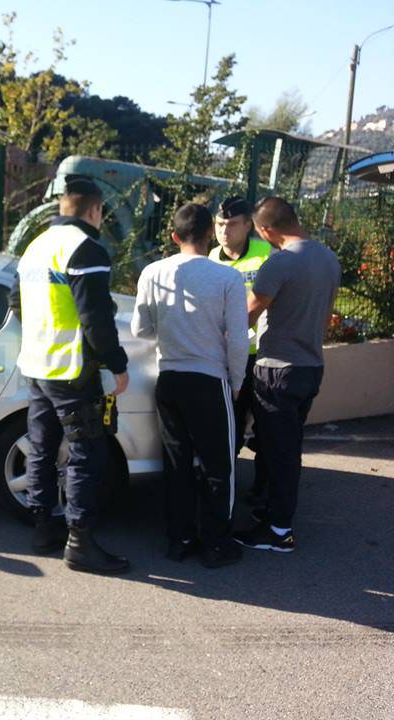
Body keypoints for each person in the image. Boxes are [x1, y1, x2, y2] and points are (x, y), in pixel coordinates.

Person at [9, 171, 131, 575]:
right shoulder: (85, 249)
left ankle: (43, 529)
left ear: (63, 206)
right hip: (72, 371)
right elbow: (96, 319)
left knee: (43, 448)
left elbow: (16, 303)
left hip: (36, 365)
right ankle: (80, 544)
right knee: (86, 454)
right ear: (95, 210)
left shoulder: (35, 246)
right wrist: (117, 364)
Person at [131, 203, 249, 568]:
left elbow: (140, 329)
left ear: (174, 236)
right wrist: (236, 380)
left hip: (169, 378)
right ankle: (216, 544)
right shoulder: (228, 278)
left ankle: (179, 539)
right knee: (219, 465)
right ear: (210, 235)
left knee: (176, 462)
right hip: (210, 380)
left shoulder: (153, 272)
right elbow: (239, 340)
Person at [234, 197, 341, 553]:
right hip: (311, 367)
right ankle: (274, 514)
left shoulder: (279, 263)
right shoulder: (328, 258)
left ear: (266, 231)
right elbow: (326, 317)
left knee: (279, 452)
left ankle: (279, 531)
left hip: (277, 370)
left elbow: (247, 314)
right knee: (287, 447)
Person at [210, 196, 272, 504]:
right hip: (224, 357)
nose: (224, 231)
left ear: (248, 225)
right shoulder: (211, 258)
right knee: (229, 425)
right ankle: (228, 488)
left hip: (258, 356)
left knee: (265, 427)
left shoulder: (265, 254)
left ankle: (261, 488)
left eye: (232, 224)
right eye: (220, 224)